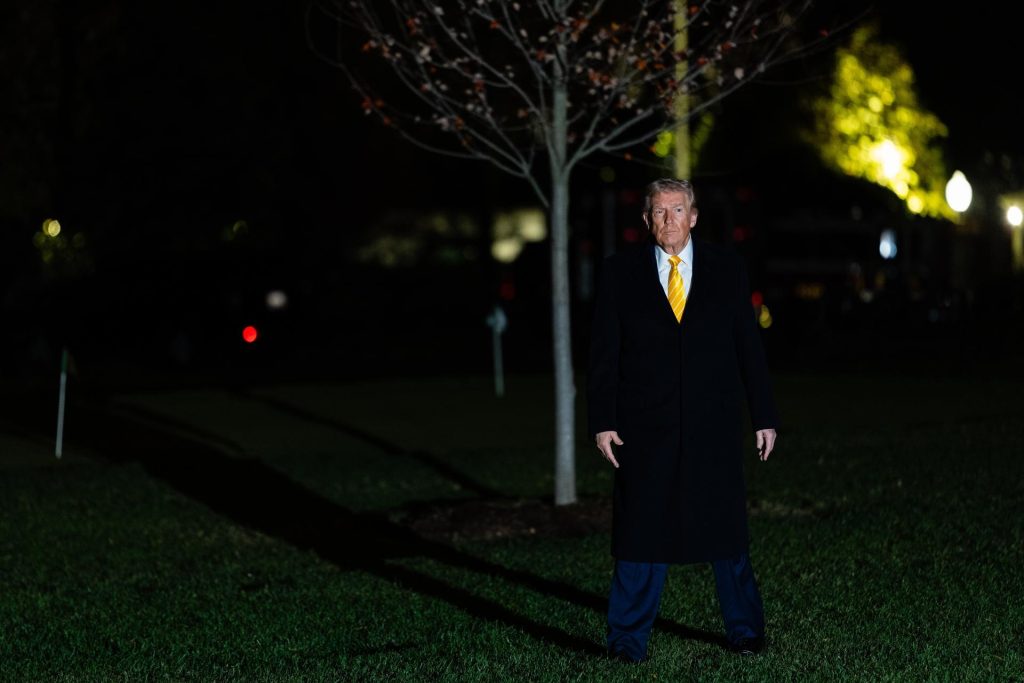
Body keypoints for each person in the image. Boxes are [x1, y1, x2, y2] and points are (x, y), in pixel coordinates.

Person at [588, 177, 779, 663]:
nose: (668, 220)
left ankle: (745, 631)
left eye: (677, 210)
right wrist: (602, 420)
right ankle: (627, 640)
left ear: (693, 217)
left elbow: (748, 347)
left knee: (726, 531)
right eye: (659, 211)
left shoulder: (727, 269)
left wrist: (764, 416)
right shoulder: (618, 273)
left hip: (713, 424)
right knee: (640, 533)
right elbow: (604, 355)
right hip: (643, 428)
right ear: (646, 219)